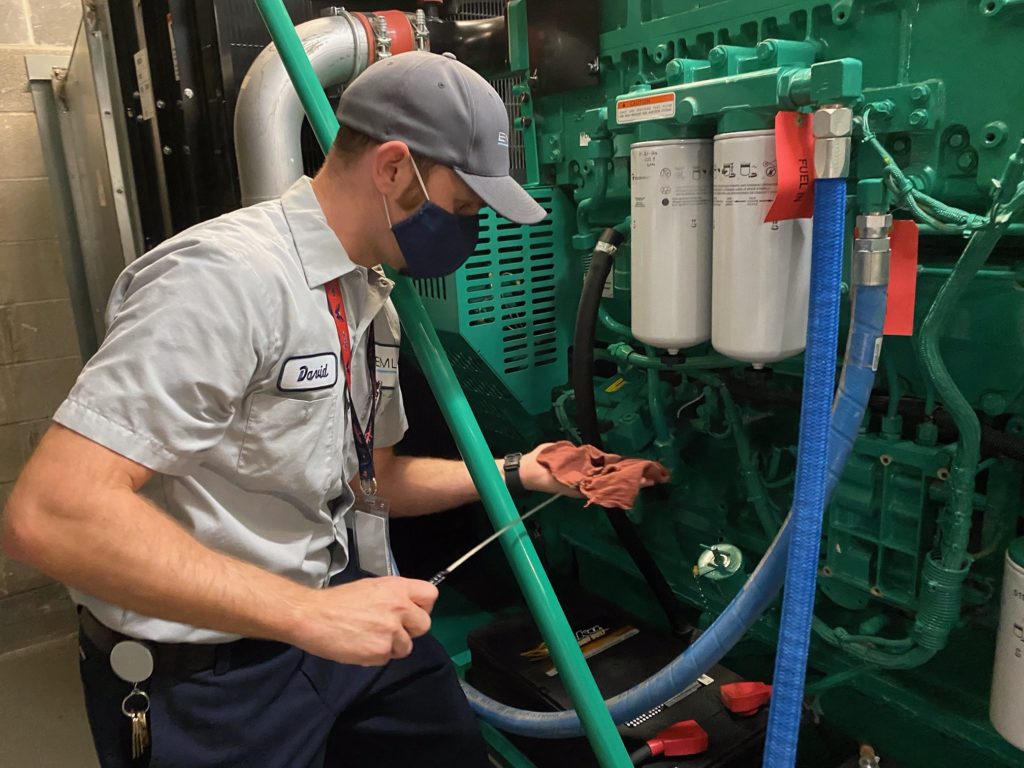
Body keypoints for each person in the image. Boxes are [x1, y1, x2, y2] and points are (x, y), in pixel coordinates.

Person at [3, 51, 579, 767]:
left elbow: (375, 481)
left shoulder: (369, 296)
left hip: (326, 614)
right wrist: (309, 616)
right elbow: (51, 515)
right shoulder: (224, 282)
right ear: (394, 169)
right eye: (462, 208)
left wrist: (517, 470)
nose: (467, 232)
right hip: (209, 675)